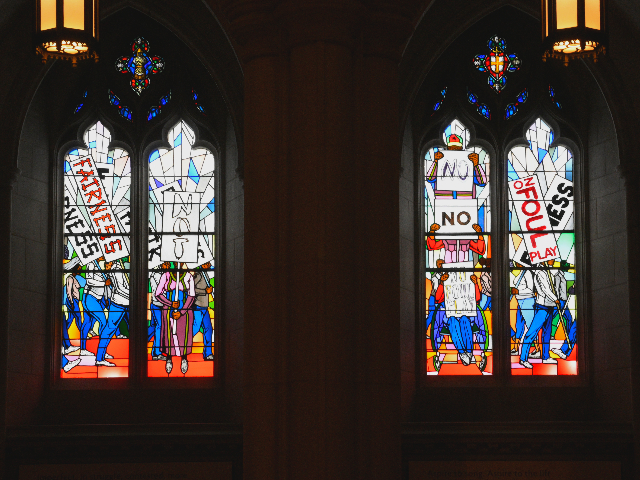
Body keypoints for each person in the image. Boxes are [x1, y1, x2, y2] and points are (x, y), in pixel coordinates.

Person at [519, 260, 562, 369]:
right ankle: (523, 359)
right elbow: (545, 289)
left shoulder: (547, 271)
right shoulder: (540, 272)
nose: (553, 260)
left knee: (547, 334)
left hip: (550, 306)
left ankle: (546, 357)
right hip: (542, 306)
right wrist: (556, 299)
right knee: (531, 333)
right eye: (552, 258)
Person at [155, 264, 196, 375]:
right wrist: (170, 303)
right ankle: (169, 359)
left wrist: (182, 311)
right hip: (168, 311)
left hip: (185, 311)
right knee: (168, 336)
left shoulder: (188, 277)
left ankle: (184, 359)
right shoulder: (166, 276)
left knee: (184, 335)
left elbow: (191, 295)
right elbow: (158, 294)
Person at [95, 260, 129, 366]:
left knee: (109, 330)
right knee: (109, 330)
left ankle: (101, 356)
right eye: (106, 264)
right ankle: (100, 358)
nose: (106, 266)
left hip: (121, 301)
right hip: (120, 302)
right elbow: (120, 288)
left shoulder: (117, 268)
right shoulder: (117, 270)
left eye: (107, 264)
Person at [81, 258, 110, 358]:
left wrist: (105, 298)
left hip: (96, 298)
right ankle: (101, 352)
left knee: (87, 322)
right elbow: (89, 281)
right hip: (89, 297)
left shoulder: (99, 265)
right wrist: (103, 284)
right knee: (103, 322)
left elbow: (104, 285)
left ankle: (83, 349)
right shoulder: (91, 264)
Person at [191, 263, 214, 361]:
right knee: (194, 329)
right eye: (208, 263)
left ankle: (208, 353)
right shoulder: (198, 274)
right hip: (198, 306)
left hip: (204, 306)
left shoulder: (206, 273)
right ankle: (180, 346)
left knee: (208, 329)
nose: (209, 265)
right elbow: (192, 289)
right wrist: (206, 291)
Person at [148, 263, 169, 361]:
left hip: (162, 305)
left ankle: (141, 342)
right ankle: (156, 353)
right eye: (166, 263)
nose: (168, 265)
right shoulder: (156, 275)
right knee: (160, 326)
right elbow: (159, 292)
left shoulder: (166, 274)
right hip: (157, 304)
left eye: (169, 263)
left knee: (154, 326)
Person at [63, 268, 86, 355]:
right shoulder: (70, 278)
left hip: (74, 300)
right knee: (78, 316)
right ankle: (82, 332)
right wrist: (71, 302)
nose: (79, 270)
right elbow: (69, 290)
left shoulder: (74, 278)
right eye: (78, 268)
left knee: (71, 318)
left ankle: (63, 332)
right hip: (72, 301)